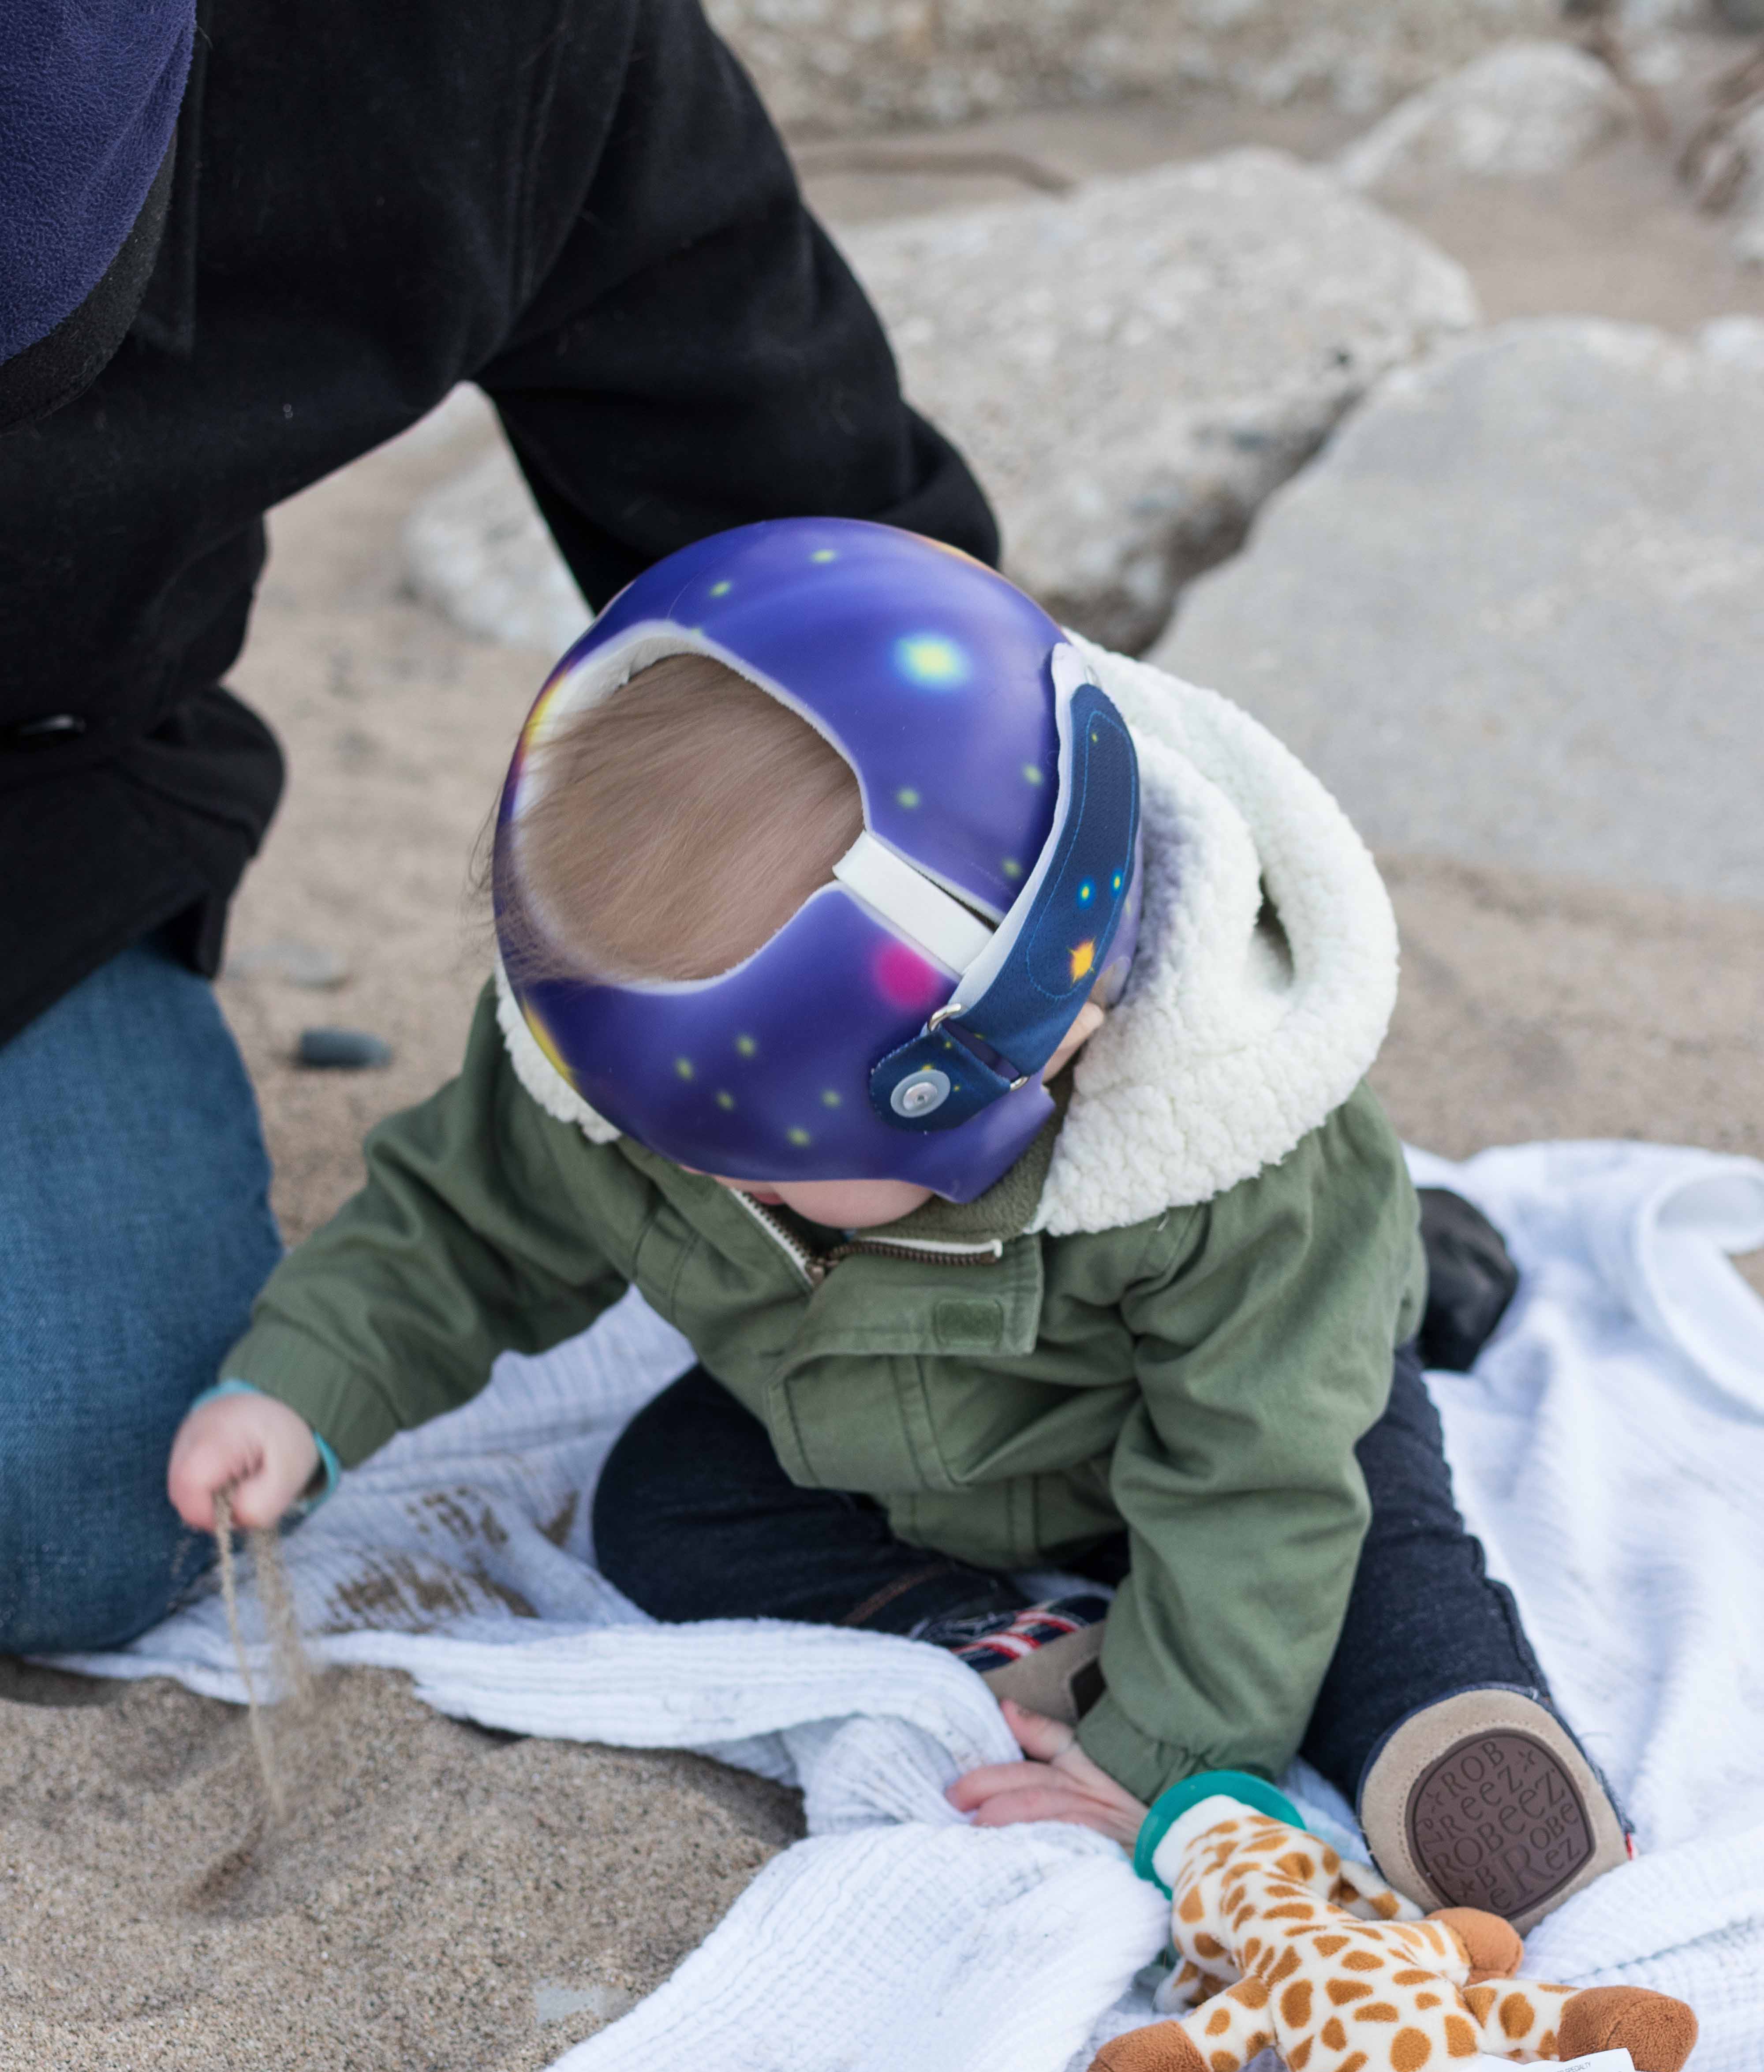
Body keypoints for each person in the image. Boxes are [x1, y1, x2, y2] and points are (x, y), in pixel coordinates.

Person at [165, 520, 1630, 1929]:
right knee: (661, 1504)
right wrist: (303, 1386)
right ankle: (1004, 1642)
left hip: (1200, 1422)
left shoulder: (1216, 1156)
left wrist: (1171, 1762)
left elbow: (1258, 1478)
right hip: (863, 1435)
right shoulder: (637, 1070)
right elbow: (460, 1228)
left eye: (759, 1165)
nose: (701, 1181)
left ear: (1023, 1055)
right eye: (675, 1148)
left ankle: (1456, 1746)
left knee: (1354, 1534)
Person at [0, 0, 996, 1656]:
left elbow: (844, 584)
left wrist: (1193, 1070)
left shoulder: (486, 49)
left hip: (36, 799)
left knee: (81, 1515)